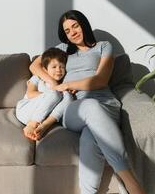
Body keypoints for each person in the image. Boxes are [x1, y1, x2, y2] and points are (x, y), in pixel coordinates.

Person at [29, 10, 146, 194]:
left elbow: (101, 80)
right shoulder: (63, 49)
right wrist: (54, 83)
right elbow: (34, 65)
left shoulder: (103, 46)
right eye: (67, 30)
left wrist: (68, 84)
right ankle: (130, 181)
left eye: (75, 26)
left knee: (90, 139)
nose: (72, 32)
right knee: (89, 106)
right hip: (74, 110)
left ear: (83, 24)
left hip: (107, 105)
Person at [16, 47, 73, 141]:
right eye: (54, 67)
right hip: (26, 110)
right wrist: (50, 94)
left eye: (62, 67)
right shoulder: (38, 78)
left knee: (68, 97)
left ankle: (45, 126)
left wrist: (64, 91)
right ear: (45, 69)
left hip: (45, 117)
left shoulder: (62, 84)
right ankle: (32, 124)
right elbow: (30, 94)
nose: (58, 70)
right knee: (55, 94)